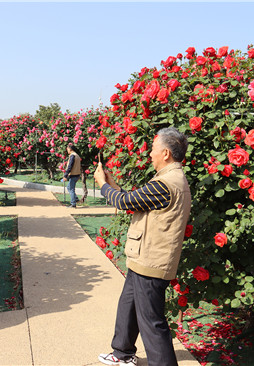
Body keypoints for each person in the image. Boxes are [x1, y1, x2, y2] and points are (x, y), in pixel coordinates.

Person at [94, 127, 191, 366]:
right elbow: (135, 201)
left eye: (154, 148)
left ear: (166, 153)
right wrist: (113, 184)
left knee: (151, 322)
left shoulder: (167, 183)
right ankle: (122, 353)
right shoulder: (169, 180)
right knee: (128, 305)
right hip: (144, 259)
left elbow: (125, 202)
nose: (150, 153)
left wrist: (102, 185)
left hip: (152, 262)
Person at [61, 143, 82, 208]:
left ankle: (73, 203)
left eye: (67, 149)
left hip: (74, 175)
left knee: (71, 188)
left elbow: (70, 166)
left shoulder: (72, 156)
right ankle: (75, 199)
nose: (67, 150)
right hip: (77, 174)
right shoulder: (77, 155)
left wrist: (65, 175)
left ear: (70, 149)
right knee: (69, 187)